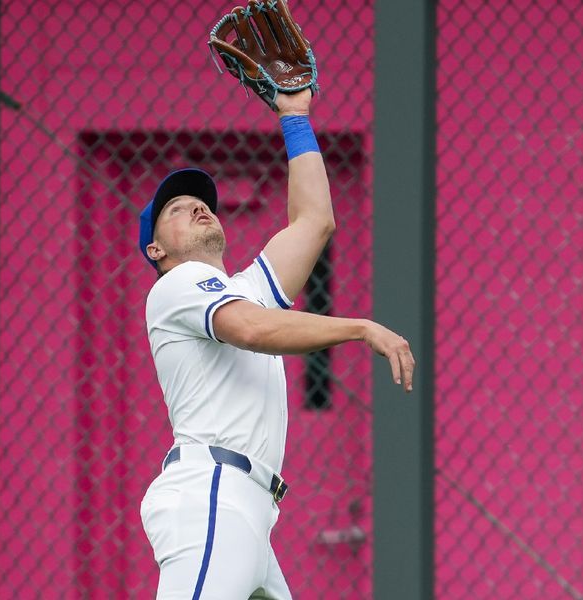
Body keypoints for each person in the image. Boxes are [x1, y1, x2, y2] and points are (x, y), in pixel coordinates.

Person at [138, 89, 415, 599]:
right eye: (177, 208)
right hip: (210, 499)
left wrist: (295, 118)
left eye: (202, 202)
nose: (198, 207)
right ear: (155, 248)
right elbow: (256, 331)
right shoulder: (176, 286)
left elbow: (314, 223)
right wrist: (358, 327)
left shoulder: (245, 290)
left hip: (249, 514)